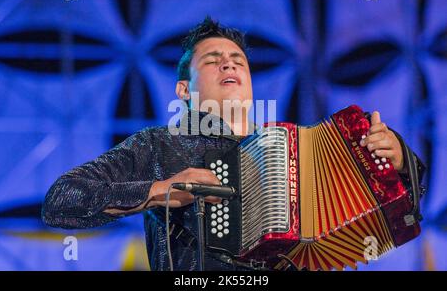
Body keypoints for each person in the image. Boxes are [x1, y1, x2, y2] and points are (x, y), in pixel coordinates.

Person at [42, 17, 425, 271]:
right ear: (183, 90)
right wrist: (161, 190)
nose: (229, 65)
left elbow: (401, 210)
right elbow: (61, 200)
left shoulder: (292, 147)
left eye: (237, 59)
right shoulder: (158, 145)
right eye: (213, 60)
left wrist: (398, 161)